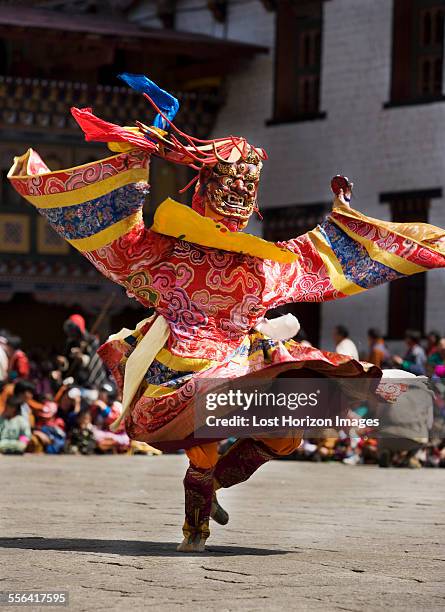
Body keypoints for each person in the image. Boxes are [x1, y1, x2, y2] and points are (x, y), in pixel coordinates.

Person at [8, 73, 445, 552]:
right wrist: (133, 159)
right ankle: (195, 524)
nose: (239, 190)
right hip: (188, 366)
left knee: (286, 434)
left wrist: (343, 217)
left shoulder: (264, 263)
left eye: (248, 184)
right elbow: (121, 243)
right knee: (202, 447)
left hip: (248, 357)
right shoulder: (165, 254)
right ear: (207, 185)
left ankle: (211, 487)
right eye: (230, 180)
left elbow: (321, 258)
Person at [63, 314, 107, 387]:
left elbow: (94, 359)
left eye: (73, 330)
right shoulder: (71, 343)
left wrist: (82, 357)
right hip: (77, 381)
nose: (72, 333)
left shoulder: (92, 341)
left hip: (92, 382)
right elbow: (67, 360)